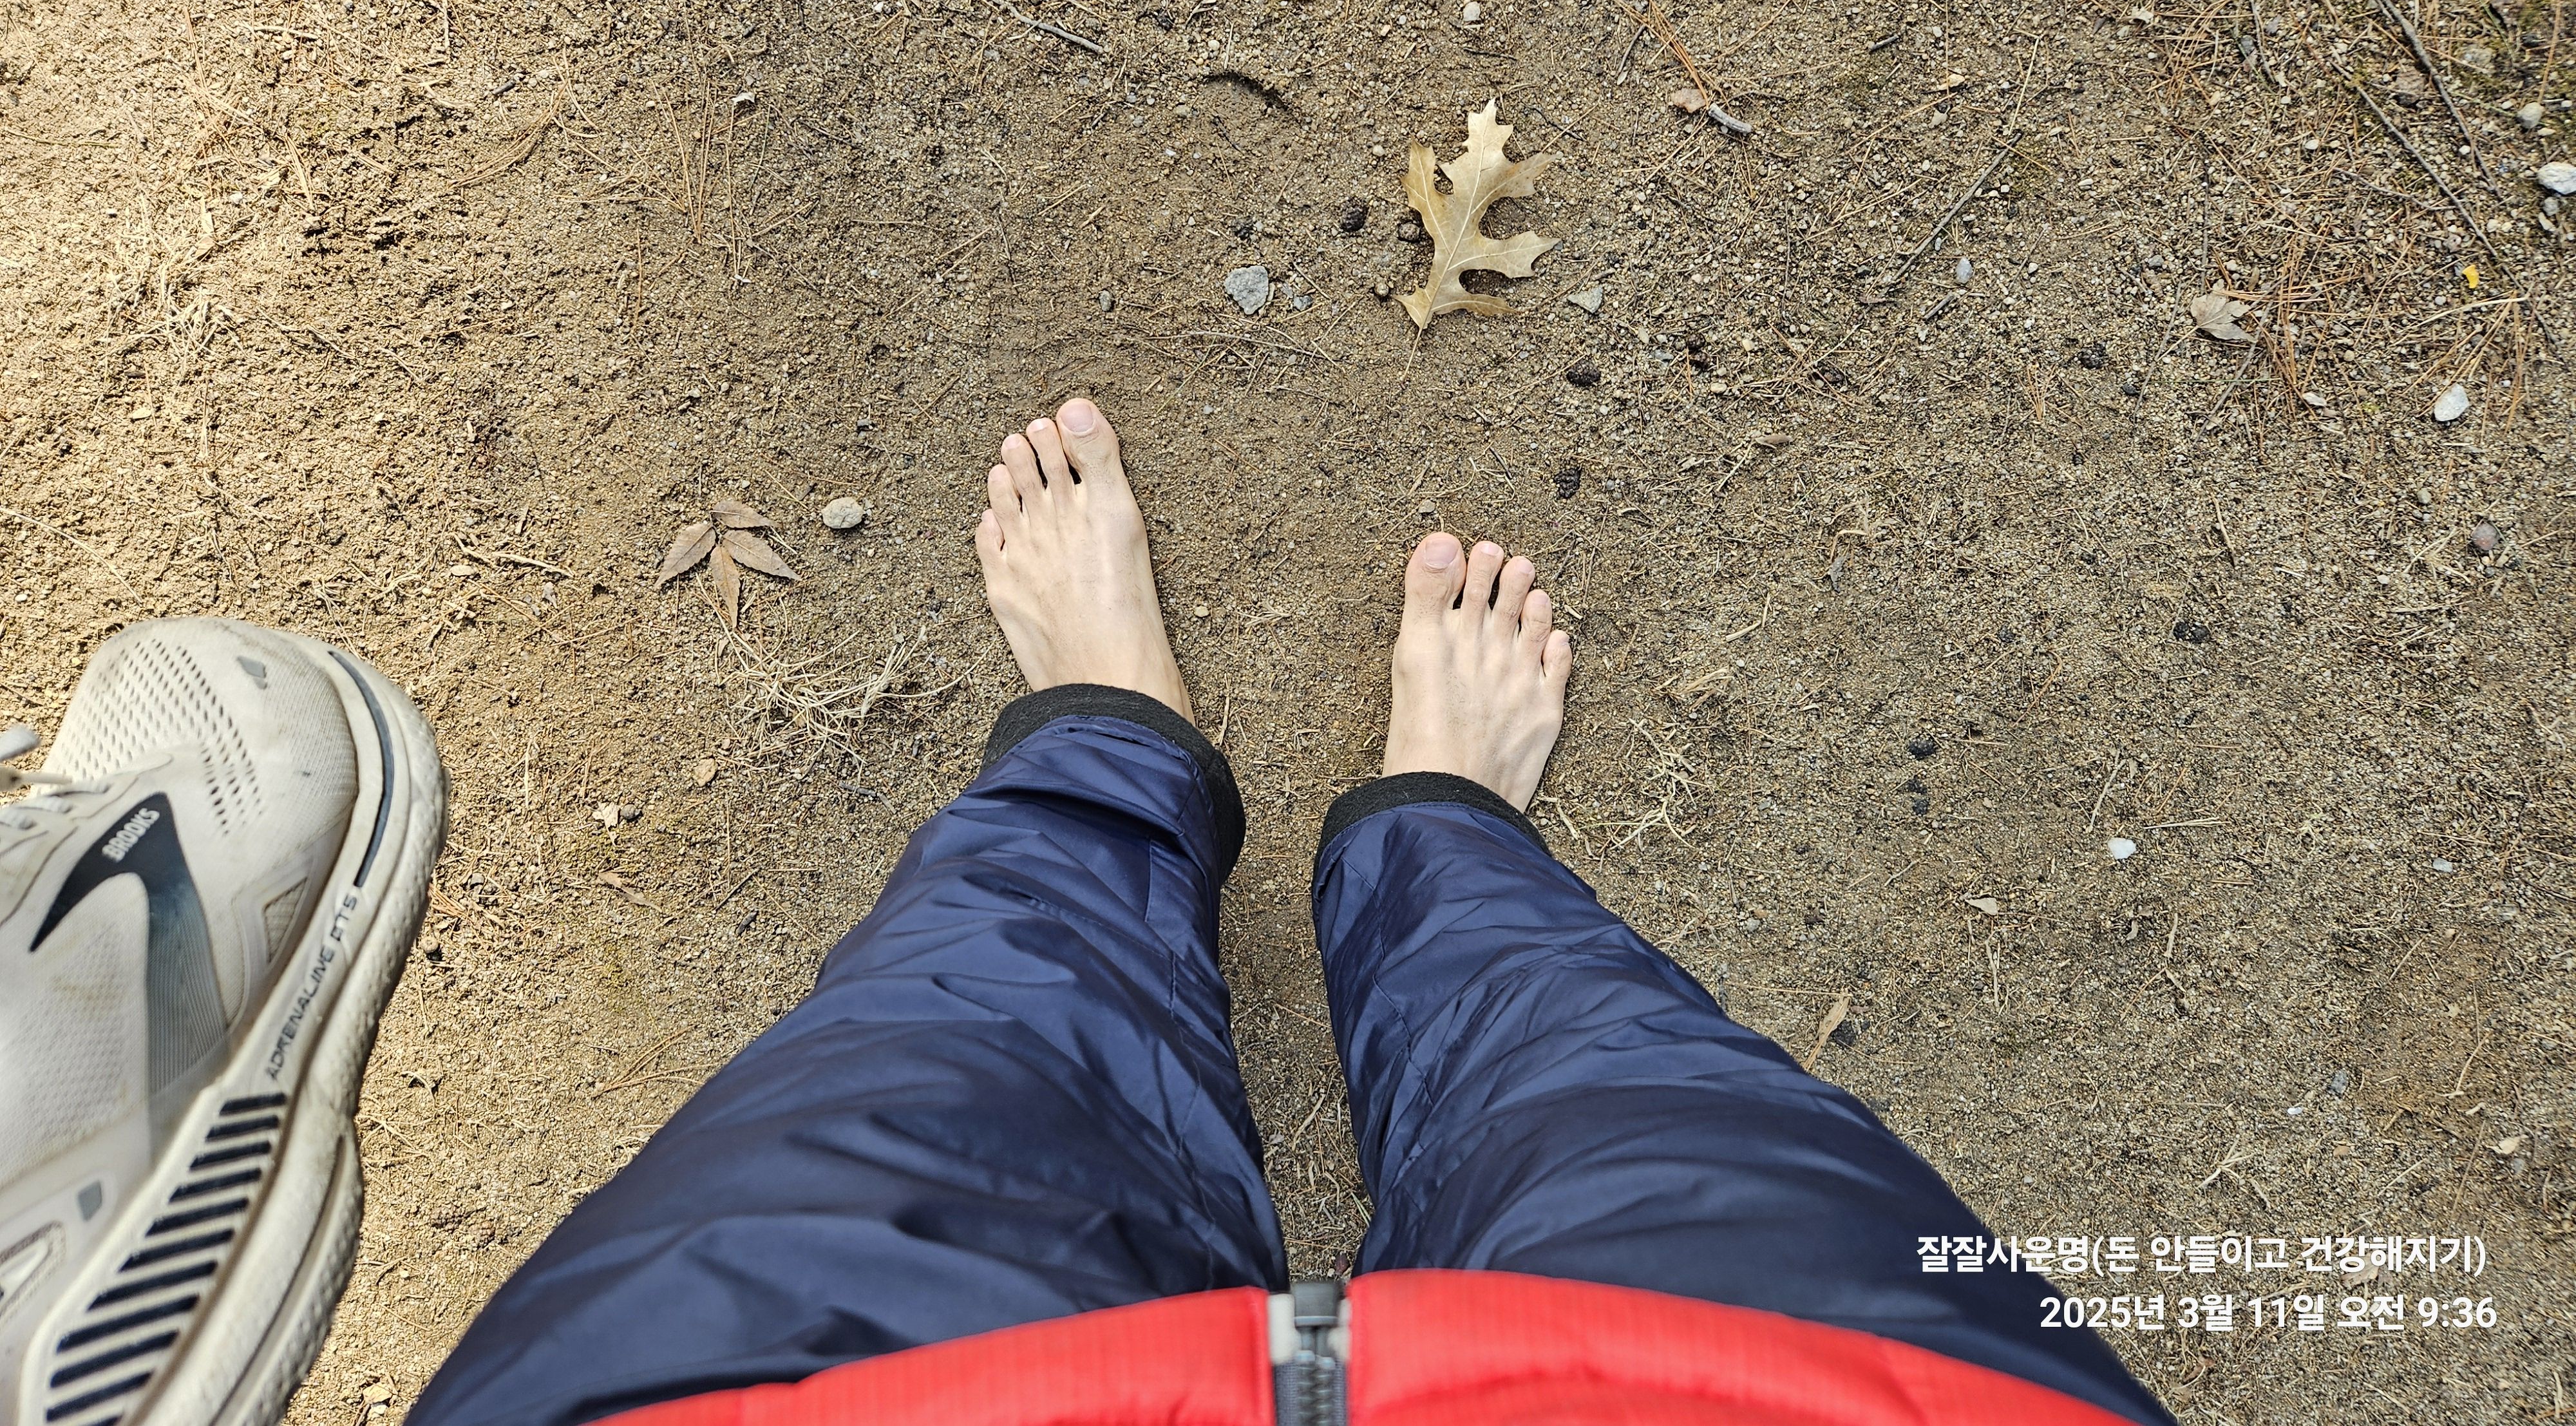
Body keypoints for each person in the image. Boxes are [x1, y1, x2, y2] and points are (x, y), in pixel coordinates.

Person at [0, 398, 2173, 1426]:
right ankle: (1434, 838)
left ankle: (1117, 753)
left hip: (773, 1383)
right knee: (1609, 1095)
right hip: (1815, 1386)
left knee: (967, 1058)